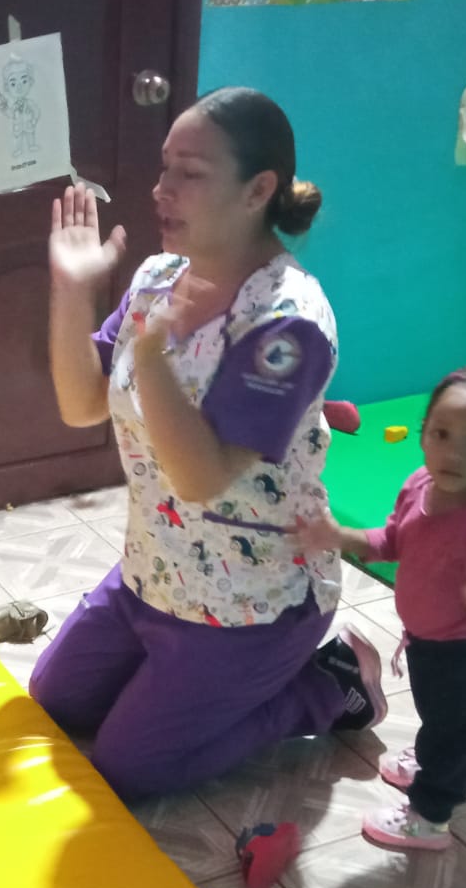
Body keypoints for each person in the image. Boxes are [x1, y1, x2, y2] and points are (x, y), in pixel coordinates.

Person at [30, 86, 385, 799]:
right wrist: (71, 289)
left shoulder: (288, 323)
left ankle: (327, 685)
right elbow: (80, 405)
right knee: (57, 699)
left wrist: (153, 353)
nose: (161, 189)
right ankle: (181, 680)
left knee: (129, 767)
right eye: (165, 168)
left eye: (189, 173)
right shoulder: (160, 276)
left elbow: (201, 477)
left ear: (258, 190)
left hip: (252, 603)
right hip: (155, 571)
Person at [294, 369, 466, 851]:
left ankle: (430, 817)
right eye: (442, 434)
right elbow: (392, 541)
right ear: (423, 433)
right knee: (437, 717)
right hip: (427, 641)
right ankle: (429, 760)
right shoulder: (419, 484)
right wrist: (337, 536)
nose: (454, 453)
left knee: (455, 733)